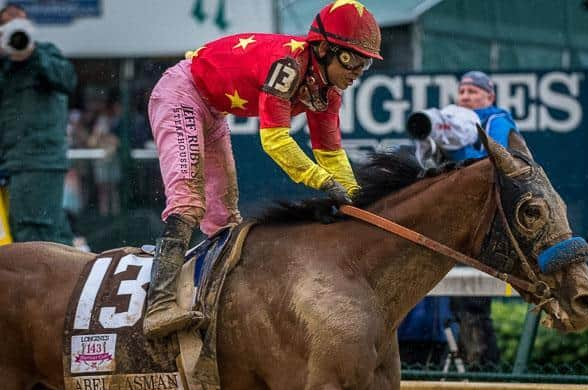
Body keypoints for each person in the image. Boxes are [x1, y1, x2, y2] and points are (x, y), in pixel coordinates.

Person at [144, 0, 382, 338]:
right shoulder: (288, 64)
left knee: (223, 218)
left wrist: (357, 199)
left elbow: (331, 154)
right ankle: (159, 305)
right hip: (182, 94)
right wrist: (323, 182)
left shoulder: (327, 91)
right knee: (188, 202)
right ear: (325, 48)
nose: (358, 72)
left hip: (214, 110)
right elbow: (274, 141)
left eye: (365, 65)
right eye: (352, 61)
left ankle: (216, 301)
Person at [401, 71, 517, 368]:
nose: (465, 96)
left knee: (473, 307)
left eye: (473, 92)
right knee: (437, 300)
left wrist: (463, 155)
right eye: (462, 91)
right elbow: (425, 167)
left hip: (482, 222)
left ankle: (485, 375)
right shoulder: (447, 122)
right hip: (450, 223)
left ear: (489, 97)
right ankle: (434, 366)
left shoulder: (497, 120)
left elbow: (499, 161)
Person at [0, 3, 76, 245]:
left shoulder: (45, 54)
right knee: (51, 232)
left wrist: (32, 54)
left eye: (19, 24)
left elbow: (67, 79)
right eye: (6, 25)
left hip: (37, 161)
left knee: (34, 234)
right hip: (15, 163)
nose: (14, 31)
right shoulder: (4, 66)